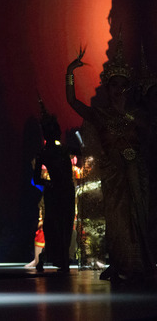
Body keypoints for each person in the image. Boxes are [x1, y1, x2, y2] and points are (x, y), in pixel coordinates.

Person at [66, 43, 155, 284]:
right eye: (113, 85)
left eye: (122, 85)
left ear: (128, 88)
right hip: (112, 174)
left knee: (138, 216)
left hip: (136, 173)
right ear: (108, 87)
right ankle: (120, 264)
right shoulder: (101, 114)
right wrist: (70, 74)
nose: (118, 90)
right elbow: (73, 102)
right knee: (116, 221)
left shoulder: (138, 114)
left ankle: (139, 264)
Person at [32, 110, 75, 273]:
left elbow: (36, 179)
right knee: (60, 225)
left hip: (60, 190)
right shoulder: (57, 151)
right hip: (61, 191)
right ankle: (61, 258)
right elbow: (36, 179)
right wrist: (50, 183)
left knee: (61, 225)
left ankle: (61, 258)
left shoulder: (54, 151)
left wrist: (49, 183)